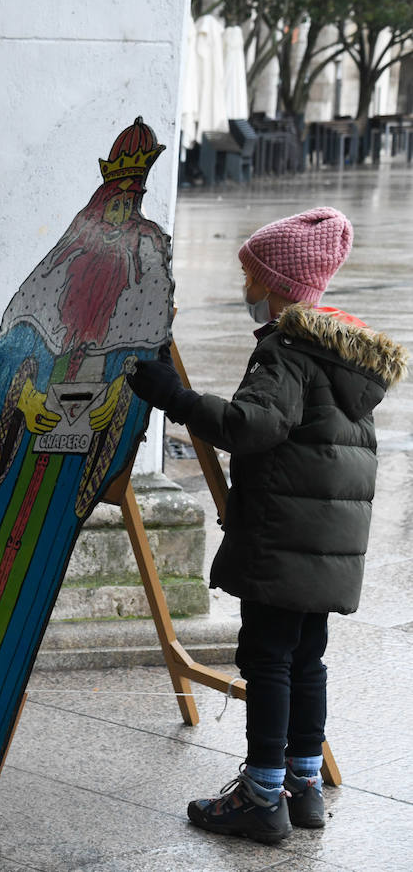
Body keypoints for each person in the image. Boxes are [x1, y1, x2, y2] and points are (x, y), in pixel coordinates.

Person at [127, 207, 408, 844]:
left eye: (251, 276)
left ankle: (260, 797)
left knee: (268, 660)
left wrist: (174, 396)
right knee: (306, 659)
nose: (246, 288)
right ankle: (303, 788)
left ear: (277, 286)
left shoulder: (286, 351)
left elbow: (251, 428)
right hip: (326, 544)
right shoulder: (342, 355)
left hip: (283, 536)